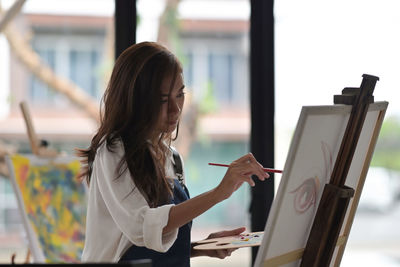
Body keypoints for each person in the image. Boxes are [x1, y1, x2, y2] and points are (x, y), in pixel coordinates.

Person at [77, 41, 269, 266]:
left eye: (180, 94)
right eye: (162, 100)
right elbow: (141, 228)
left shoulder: (173, 158)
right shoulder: (113, 152)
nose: (175, 109)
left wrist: (203, 247)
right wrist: (219, 192)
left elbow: (158, 243)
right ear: (135, 100)